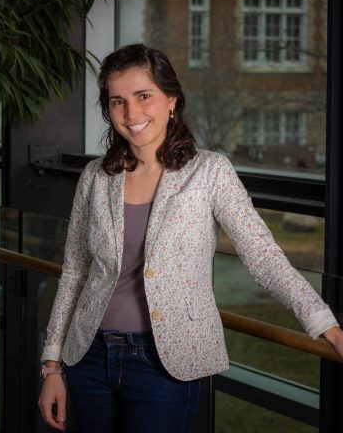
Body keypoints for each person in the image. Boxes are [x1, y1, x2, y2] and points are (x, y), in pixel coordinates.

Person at [37, 44, 343, 432]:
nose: (131, 114)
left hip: (166, 363)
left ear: (171, 101)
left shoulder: (211, 173)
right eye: (118, 101)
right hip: (88, 357)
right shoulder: (96, 177)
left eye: (143, 96)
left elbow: (263, 257)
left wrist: (323, 323)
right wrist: (51, 366)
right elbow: (75, 273)